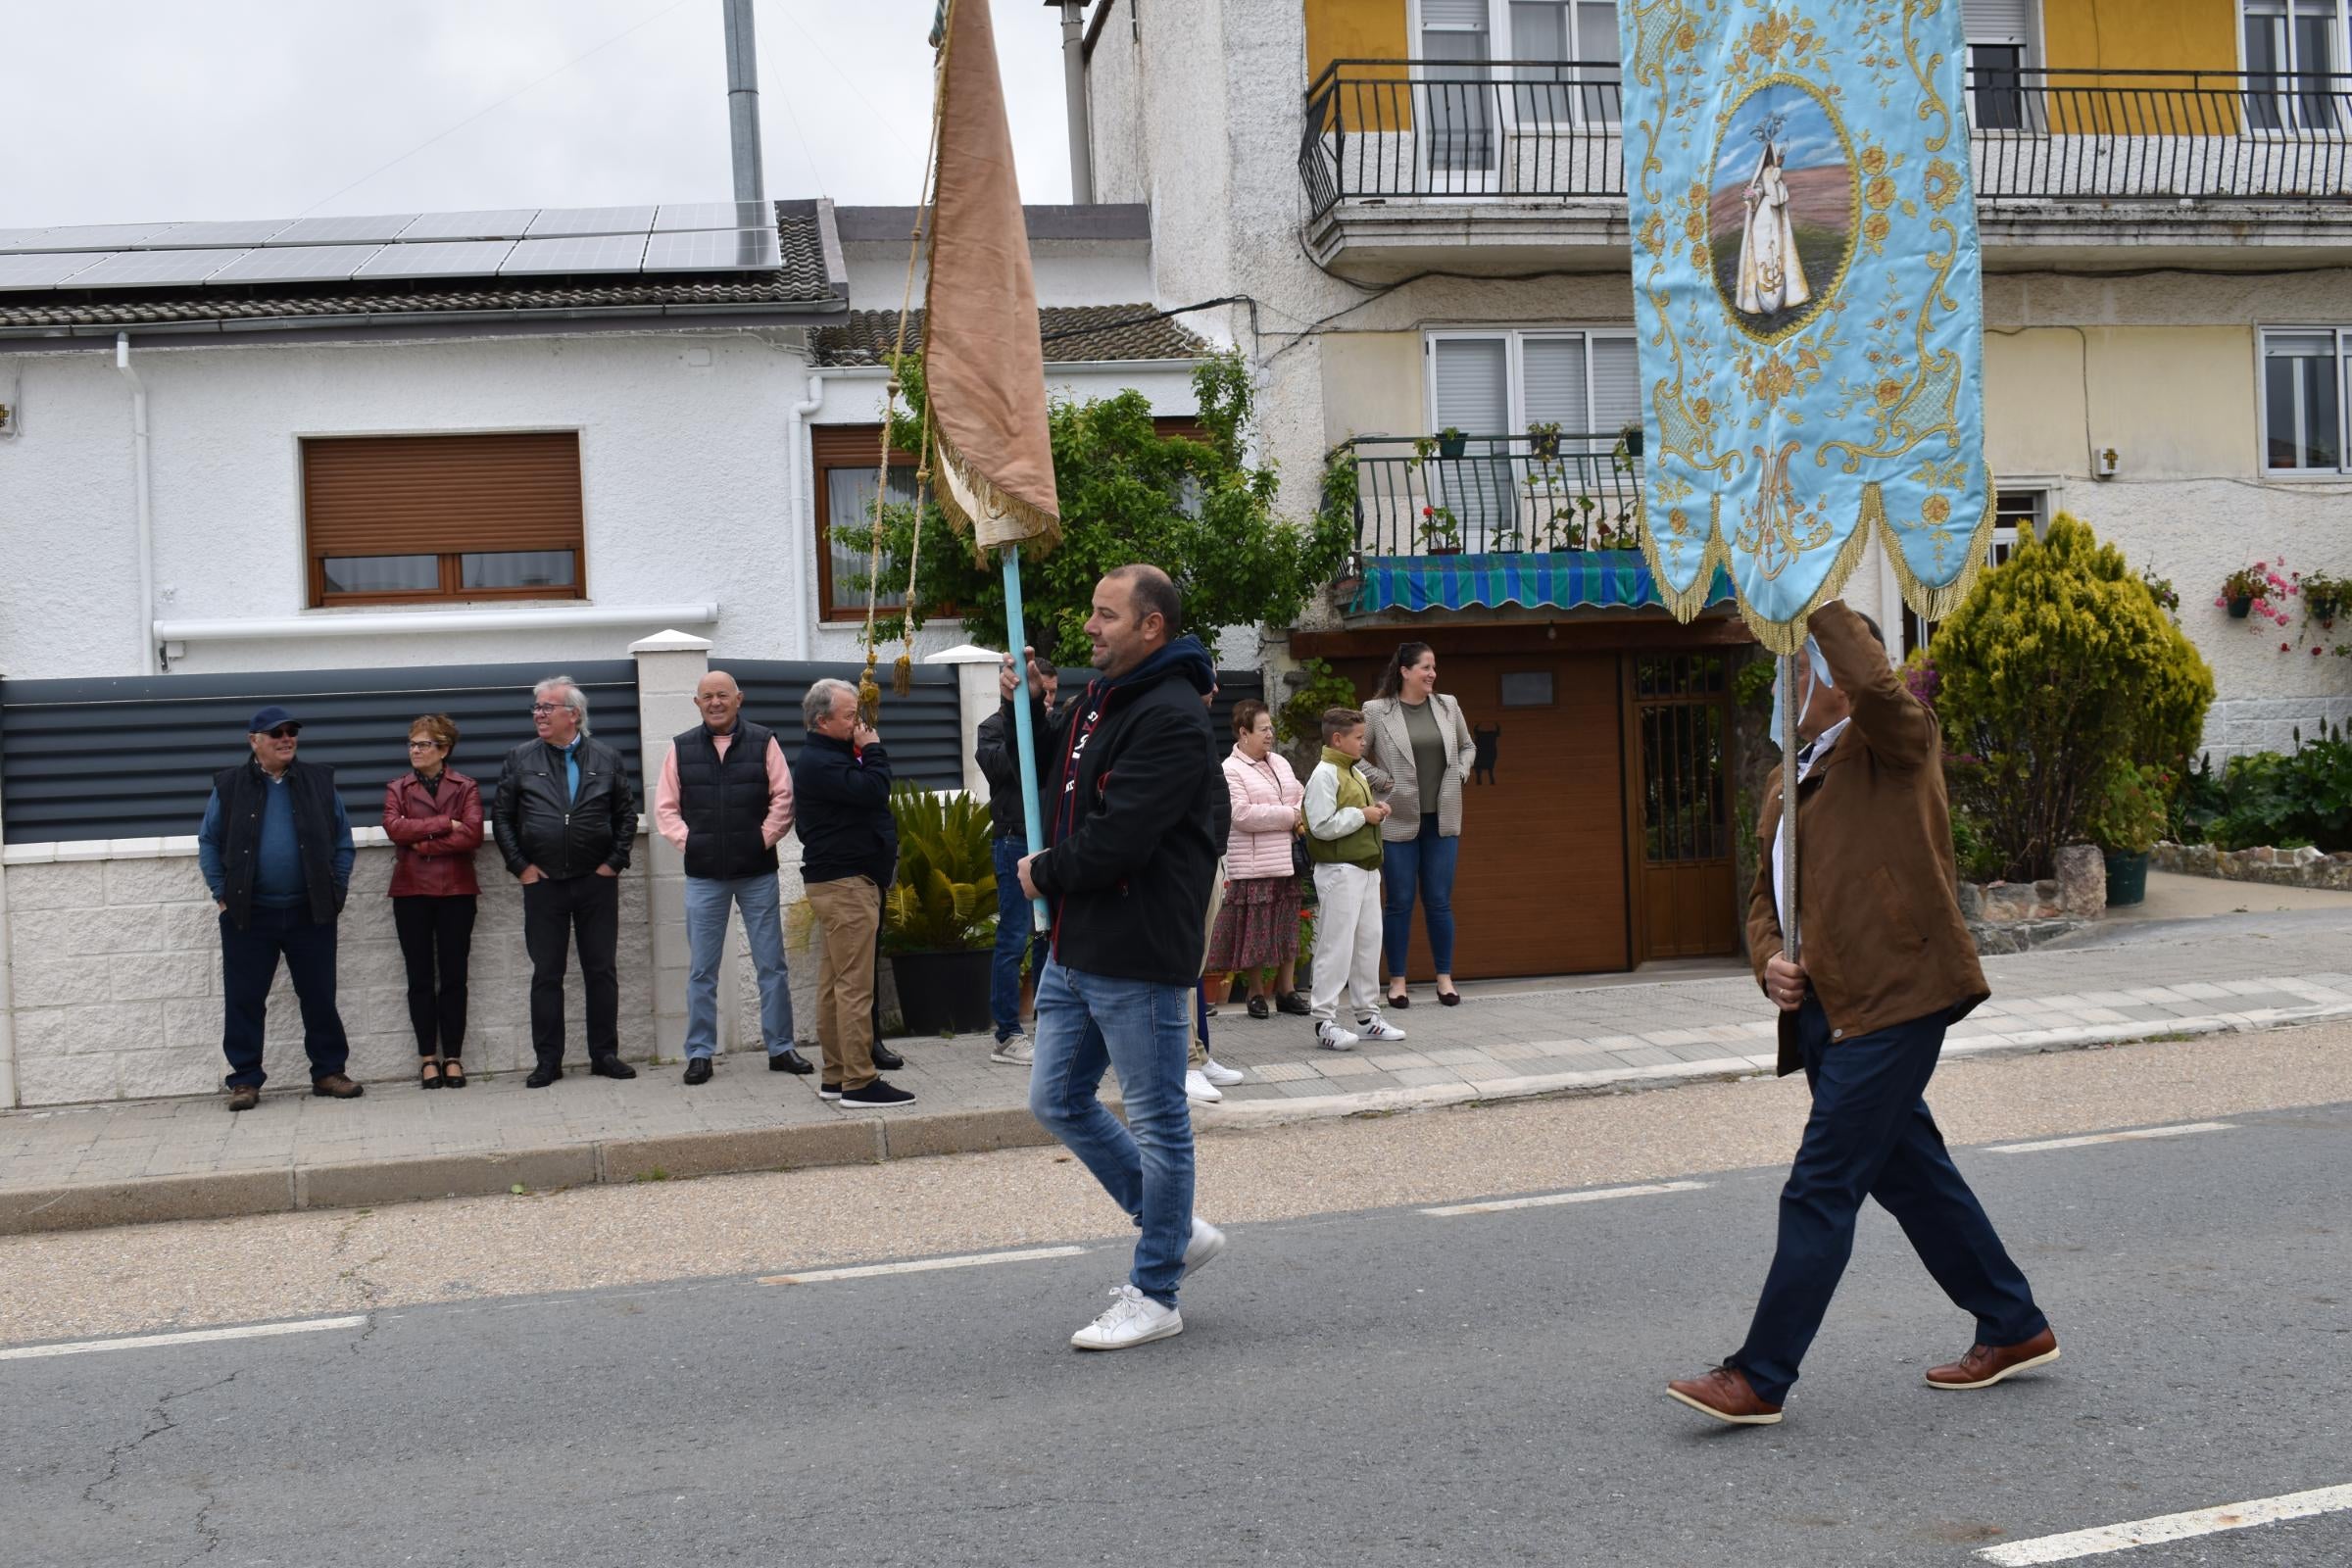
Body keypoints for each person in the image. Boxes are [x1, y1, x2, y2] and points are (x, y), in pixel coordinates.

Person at [1667, 602, 2057, 1428]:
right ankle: (2014, 1323)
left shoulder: (1894, 744)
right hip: (1828, 1011)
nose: (1784, 683)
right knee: (1913, 1178)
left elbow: (1879, 684)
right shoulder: (1788, 777)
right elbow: (1763, 899)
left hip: (1897, 997)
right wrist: (1768, 960)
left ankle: (1761, 1375)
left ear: (1837, 683)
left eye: (1797, 667)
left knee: (1821, 1185)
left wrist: (1816, 593)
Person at [1003, 564, 1229, 1350]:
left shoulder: (1170, 717)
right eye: (1092, 613)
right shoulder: (1099, 700)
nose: (1089, 629)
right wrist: (1025, 710)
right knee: (1056, 1100)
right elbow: (1039, 785)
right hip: (1076, 945)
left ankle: (1157, 1289)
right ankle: (1174, 1232)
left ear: (1151, 626)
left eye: (1105, 616)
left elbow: (1120, 836)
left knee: (1162, 1123)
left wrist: (1045, 872)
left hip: (1135, 950)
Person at [195, 706, 363, 1111]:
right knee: (245, 998)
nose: (286, 738)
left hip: (311, 911)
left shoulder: (319, 782)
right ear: (255, 741)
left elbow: (342, 840)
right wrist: (222, 893)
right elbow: (209, 842)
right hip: (248, 915)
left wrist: (336, 889)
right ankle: (245, 1080)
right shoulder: (230, 785)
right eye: (276, 734)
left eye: (291, 732)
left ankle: (328, 1072)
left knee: (319, 995)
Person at [654, 670, 814, 1084]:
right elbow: (666, 809)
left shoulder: (764, 741)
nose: (715, 702)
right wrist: (692, 843)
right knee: (702, 970)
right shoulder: (680, 748)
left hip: (756, 872)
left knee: (771, 965)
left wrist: (761, 840)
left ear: (738, 698)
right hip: (704, 876)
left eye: (722, 695)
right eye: (707, 696)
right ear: (697, 702)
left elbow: (784, 797)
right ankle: (700, 1054)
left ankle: (781, 1048)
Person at [492, 674, 640, 1088]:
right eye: (536, 708)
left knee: (601, 970)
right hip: (544, 883)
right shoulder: (520, 758)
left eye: (546, 707)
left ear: (572, 715)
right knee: (547, 974)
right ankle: (548, 1061)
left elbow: (626, 816)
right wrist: (521, 866)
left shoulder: (607, 758)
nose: (538, 714)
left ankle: (604, 1054)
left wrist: (613, 863)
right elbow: (502, 816)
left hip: (596, 881)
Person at [792, 678, 915, 1109]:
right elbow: (874, 790)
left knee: (834, 983)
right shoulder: (821, 761)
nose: (860, 724)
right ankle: (860, 1082)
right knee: (854, 987)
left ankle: (836, 1075)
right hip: (846, 883)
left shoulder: (830, 756)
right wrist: (875, 749)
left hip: (843, 880)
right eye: (850, 716)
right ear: (822, 721)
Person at [1362, 641, 1477, 1009]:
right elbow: (1354, 758)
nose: (1432, 674)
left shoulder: (1448, 705)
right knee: (1398, 902)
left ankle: (1445, 978)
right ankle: (1397, 982)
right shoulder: (1377, 711)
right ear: (1405, 671)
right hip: (1398, 820)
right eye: (1426, 667)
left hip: (1442, 819)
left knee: (1440, 901)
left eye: (1434, 667)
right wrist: (1384, 782)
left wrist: (1460, 770)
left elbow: (1467, 746)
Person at [382, 713, 482, 1090]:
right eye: (412, 744)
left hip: (457, 891)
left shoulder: (466, 787)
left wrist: (420, 841)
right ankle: (428, 1058)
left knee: (455, 976)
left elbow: (471, 835)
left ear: (444, 748)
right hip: (411, 892)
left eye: (423, 744)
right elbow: (394, 828)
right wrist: (444, 824)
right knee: (419, 977)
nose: (415, 751)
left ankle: (453, 1056)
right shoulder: (398, 788)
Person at [1302, 708, 1403, 1053]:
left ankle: (1366, 1016)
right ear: (1337, 739)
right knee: (1336, 945)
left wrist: (1374, 810)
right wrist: (1363, 814)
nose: (1364, 743)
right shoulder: (1325, 774)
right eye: (1359, 738)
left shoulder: (1352, 771)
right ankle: (1324, 1022)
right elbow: (1320, 825)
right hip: (1339, 870)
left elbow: (1346, 817)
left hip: (1363, 868)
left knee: (1367, 943)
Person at [975, 663, 1058, 1068]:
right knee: (1013, 937)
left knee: (1049, 936)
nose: (1049, 702)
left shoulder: (1054, 724)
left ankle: (1051, 1025)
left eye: (1053, 693)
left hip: (1050, 843)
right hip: (1014, 840)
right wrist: (1022, 728)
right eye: (1042, 694)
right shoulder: (992, 728)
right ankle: (1007, 1033)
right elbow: (1003, 768)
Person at [1209, 698, 1309, 1022]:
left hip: (1286, 858)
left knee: (1287, 926)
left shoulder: (1279, 762)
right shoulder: (1231, 769)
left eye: (1271, 728)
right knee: (1255, 932)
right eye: (1263, 729)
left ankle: (1286, 989)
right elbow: (1242, 815)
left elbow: (1300, 792)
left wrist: (1294, 809)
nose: (1270, 734)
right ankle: (1255, 992)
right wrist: (1290, 815)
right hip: (1253, 865)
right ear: (1243, 733)